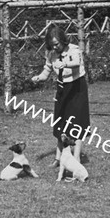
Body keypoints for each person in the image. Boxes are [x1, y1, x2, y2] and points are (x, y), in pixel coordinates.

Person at [31, 26, 90, 167]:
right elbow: (47, 71)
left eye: (57, 44)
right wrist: (39, 78)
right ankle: (58, 159)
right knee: (60, 123)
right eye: (52, 45)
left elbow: (77, 63)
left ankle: (76, 159)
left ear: (63, 40)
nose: (55, 47)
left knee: (77, 124)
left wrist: (64, 64)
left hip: (77, 88)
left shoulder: (74, 49)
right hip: (63, 89)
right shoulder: (51, 54)